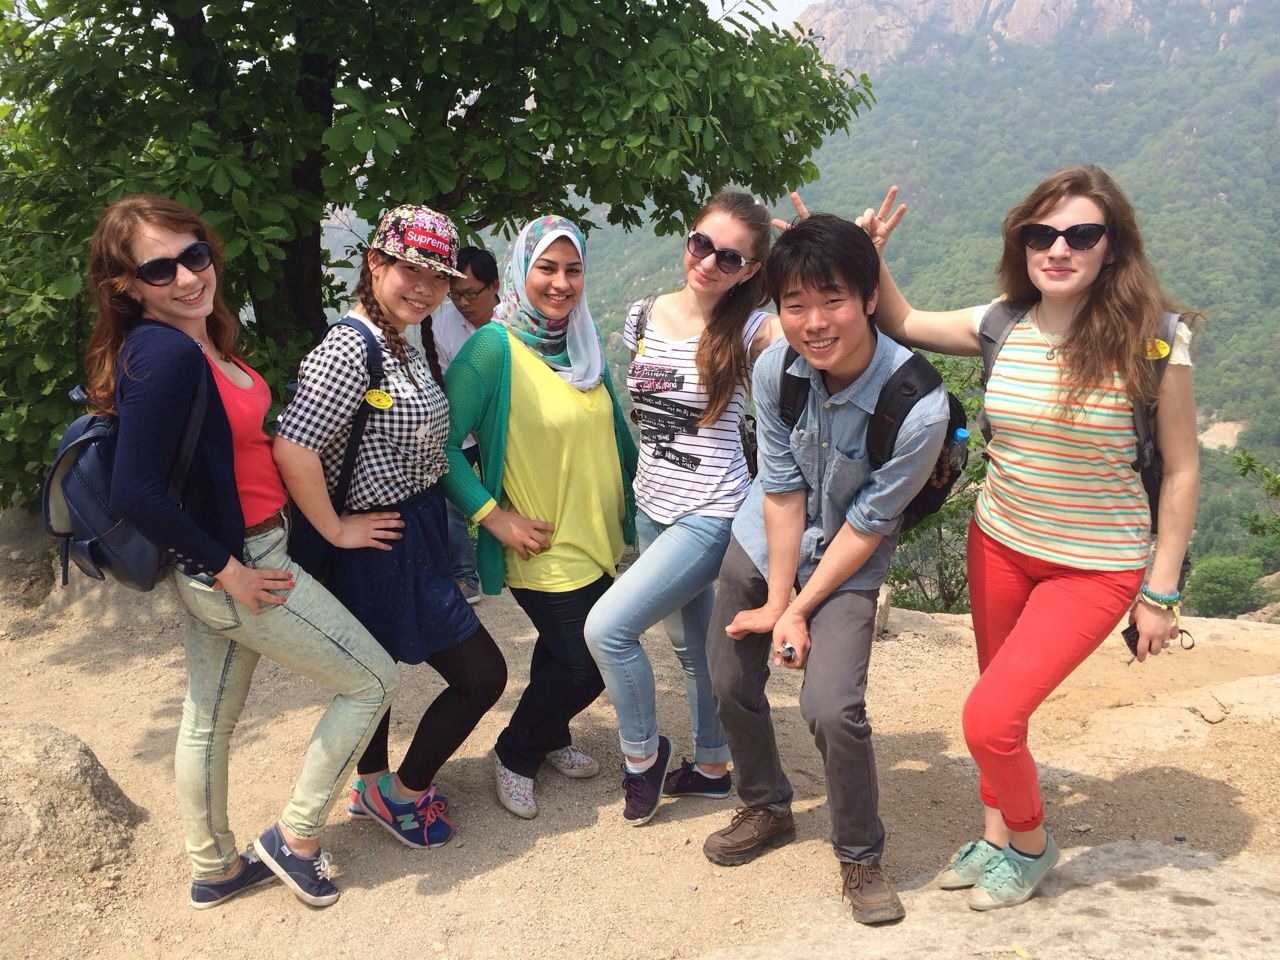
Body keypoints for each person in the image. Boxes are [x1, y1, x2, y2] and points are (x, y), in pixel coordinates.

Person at [858, 166, 1199, 911]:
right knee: (998, 706)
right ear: (1022, 243)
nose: (1058, 249)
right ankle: (997, 837)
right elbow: (904, 321)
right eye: (1041, 234)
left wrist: (1161, 592)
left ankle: (1034, 843)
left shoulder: (1153, 341)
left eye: (1081, 235)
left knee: (988, 719)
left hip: (1095, 567)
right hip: (1000, 544)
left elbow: (1180, 470)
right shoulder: (1002, 322)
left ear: (1112, 246)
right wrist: (872, 256)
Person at [85, 194, 398, 910]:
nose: (187, 276)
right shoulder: (164, 354)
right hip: (243, 563)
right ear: (126, 286)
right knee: (372, 680)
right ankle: (296, 838)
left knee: (208, 718)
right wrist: (230, 571)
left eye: (194, 255)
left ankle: (215, 868)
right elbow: (135, 490)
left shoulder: (195, 340)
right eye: (159, 269)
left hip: (231, 559)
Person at [703, 213, 949, 926]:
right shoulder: (775, 368)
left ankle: (860, 855)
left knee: (832, 707)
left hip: (848, 556)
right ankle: (765, 805)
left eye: (832, 300)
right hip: (765, 538)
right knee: (729, 679)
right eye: (795, 304)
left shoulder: (918, 407)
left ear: (869, 297)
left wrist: (799, 609)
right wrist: (779, 601)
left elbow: (867, 525)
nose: (814, 323)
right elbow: (780, 491)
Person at [274, 206, 507, 851]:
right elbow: (293, 446)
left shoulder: (398, 338)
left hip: (410, 533)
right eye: (411, 270)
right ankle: (402, 794)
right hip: (378, 545)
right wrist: (335, 529)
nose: (425, 289)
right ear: (375, 262)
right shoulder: (351, 348)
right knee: (483, 675)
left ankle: (372, 782)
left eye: (438, 277)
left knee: (375, 664)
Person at [582, 190, 779, 825]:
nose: (709, 262)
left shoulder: (752, 330)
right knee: (693, 650)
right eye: (702, 244)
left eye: (730, 258)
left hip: (711, 513)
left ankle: (642, 757)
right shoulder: (642, 314)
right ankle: (713, 767)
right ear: (688, 238)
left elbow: (821, 334)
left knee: (607, 629)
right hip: (652, 506)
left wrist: (843, 267)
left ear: (749, 270)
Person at [441, 214, 638, 820]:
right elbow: (438, 445)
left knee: (561, 649)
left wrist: (641, 510)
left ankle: (550, 734)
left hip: (596, 536)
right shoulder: (492, 348)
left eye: (573, 269)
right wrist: (491, 516)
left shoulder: (582, 340)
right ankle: (517, 750)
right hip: (542, 543)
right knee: (591, 662)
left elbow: (615, 432)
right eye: (546, 268)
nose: (561, 282)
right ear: (521, 271)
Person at [406, 246, 502, 604]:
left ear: (494, 286)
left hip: (504, 426)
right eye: (456, 294)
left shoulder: (514, 320)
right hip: (461, 426)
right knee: (450, 499)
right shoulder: (442, 324)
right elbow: (446, 381)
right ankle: (465, 575)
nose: (463, 303)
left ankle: (507, 563)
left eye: (471, 294)